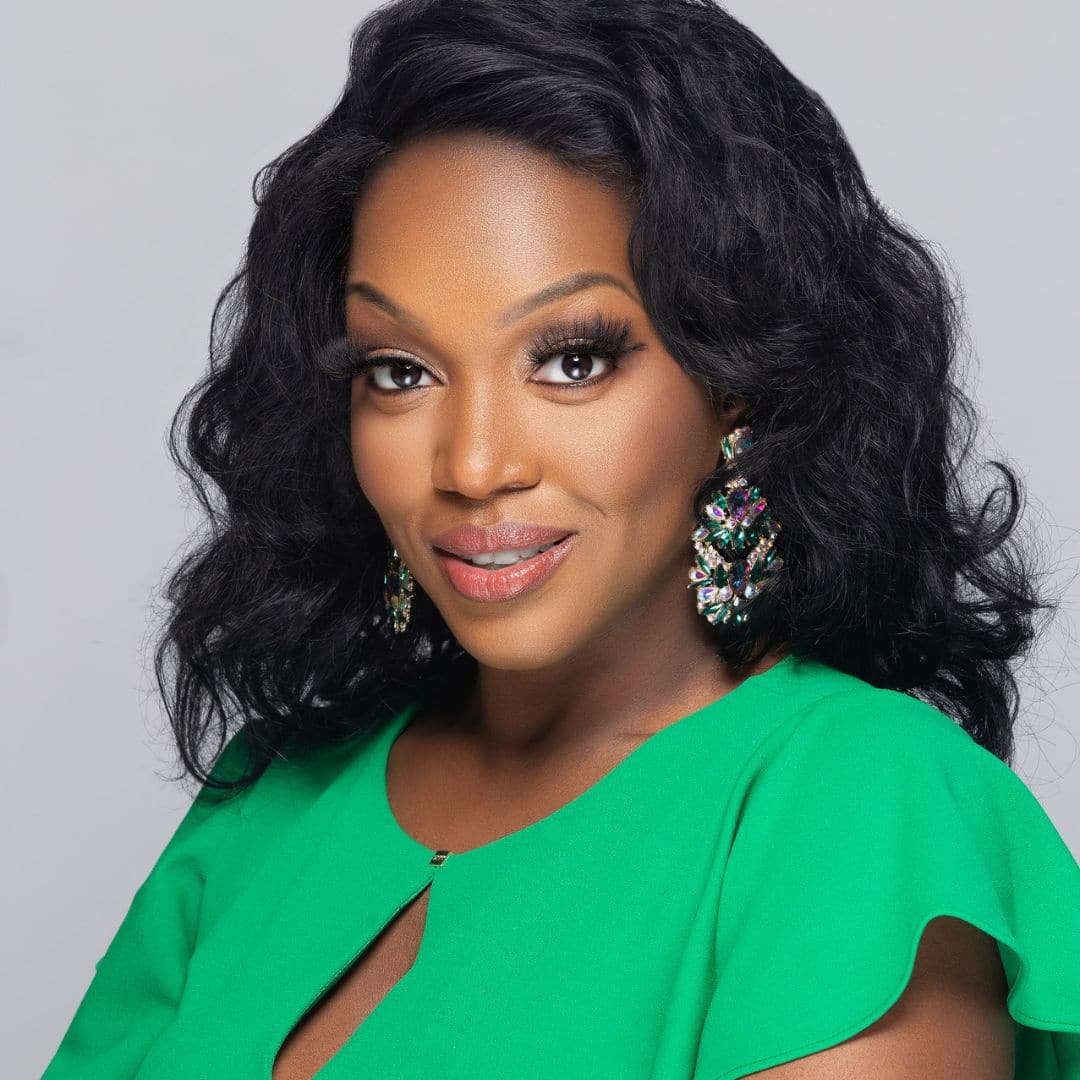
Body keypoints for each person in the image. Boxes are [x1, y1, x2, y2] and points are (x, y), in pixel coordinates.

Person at [43, 0, 1080, 1077]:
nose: (473, 465)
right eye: (399, 371)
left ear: (737, 382)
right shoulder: (271, 797)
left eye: (572, 359)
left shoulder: (856, 802)